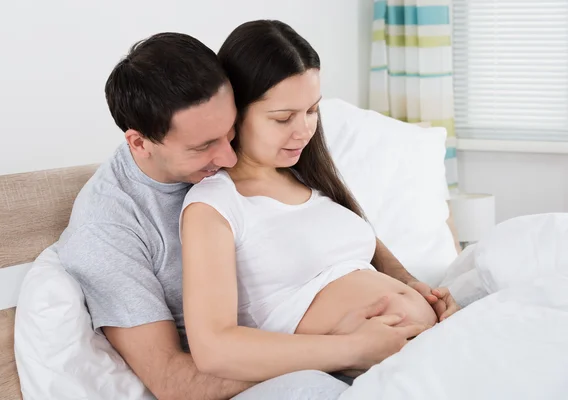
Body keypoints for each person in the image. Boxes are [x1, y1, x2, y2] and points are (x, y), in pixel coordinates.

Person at [55, 30, 453, 400]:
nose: (230, 157)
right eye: (206, 145)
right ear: (140, 143)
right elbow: (174, 379)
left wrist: (408, 285)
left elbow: (323, 231)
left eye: (230, 132)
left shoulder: (271, 156)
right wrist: (350, 349)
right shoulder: (110, 230)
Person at [179, 20, 461, 383]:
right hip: (373, 372)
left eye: (312, 110)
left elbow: (361, 249)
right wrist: (357, 348)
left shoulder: (309, 177)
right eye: (283, 118)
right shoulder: (215, 206)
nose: (304, 131)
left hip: (430, 344)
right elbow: (214, 348)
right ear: (236, 111)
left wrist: (416, 287)